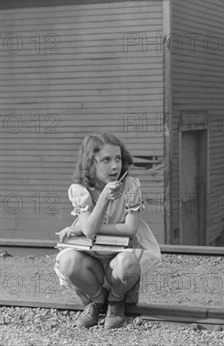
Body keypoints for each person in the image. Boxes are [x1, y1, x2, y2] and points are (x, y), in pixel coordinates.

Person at [54, 132, 161, 329]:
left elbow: (130, 229)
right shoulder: (80, 189)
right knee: (67, 261)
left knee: (127, 264)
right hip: (91, 256)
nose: (115, 165)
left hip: (120, 253)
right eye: (106, 160)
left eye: (118, 158)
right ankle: (97, 299)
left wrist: (81, 229)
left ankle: (116, 300)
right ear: (90, 163)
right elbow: (89, 232)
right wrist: (103, 198)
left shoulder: (130, 185)